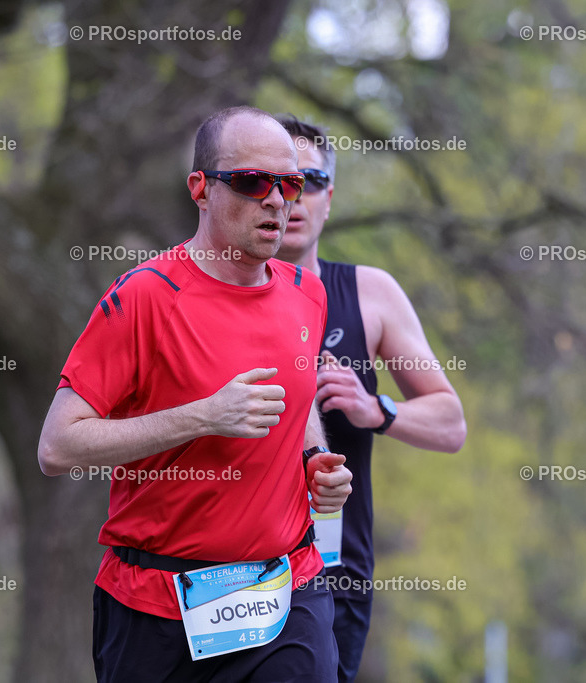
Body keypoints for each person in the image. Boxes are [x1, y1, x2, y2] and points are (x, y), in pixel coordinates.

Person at [37, 106, 353, 682]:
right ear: (200, 189)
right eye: (253, 182)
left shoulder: (306, 293)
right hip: (156, 604)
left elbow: (297, 388)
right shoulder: (144, 298)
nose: (278, 200)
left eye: (291, 183)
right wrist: (204, 416)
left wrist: (313, 459)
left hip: (285, 590)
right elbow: (58, 447)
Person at [275, 116, 467, 682]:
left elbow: (450, 422)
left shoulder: (369, 293)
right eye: (279, 180)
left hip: (335, 569)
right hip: (233, 567)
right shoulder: (213, 295)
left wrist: (375, 408)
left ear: (329, 198)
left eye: (310, 181)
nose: (295, 196)